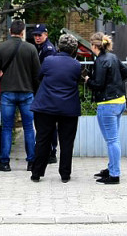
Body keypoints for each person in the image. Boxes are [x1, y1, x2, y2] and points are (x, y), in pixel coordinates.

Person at [29, 34, 82, 183]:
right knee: (67, 141)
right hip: (68, 108)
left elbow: (40, 76)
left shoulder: (48, 61)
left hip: (45, 105)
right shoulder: (76, 65)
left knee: (42, 139)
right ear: (74, 50)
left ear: (59, 46)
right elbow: (77, 80)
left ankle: (36, 173)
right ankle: (65, 174)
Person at [0, 20, 40, 172]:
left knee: (6, 128)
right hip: (27, 93)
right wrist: (36, 92)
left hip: (7, 92)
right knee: (29, 128)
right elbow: (37, 74)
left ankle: (4, 162)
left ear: (10, 31)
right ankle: (31, 162)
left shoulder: (1, 47)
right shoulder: (31, 48)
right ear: (23, 32)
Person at [84, 32, 127, 185]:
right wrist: (114, 83)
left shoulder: (100, 61)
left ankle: (114, 174)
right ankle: (111, 168)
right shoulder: (113, 57)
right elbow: (126, 73)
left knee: (112, 140)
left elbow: (98, 85)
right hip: (120, 102)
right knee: (114, 139)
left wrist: (87, 80)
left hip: (107, 104)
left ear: (94, 45)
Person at [31, 24, 59, 164]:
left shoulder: (48, 49)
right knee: (45, 123)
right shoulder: (40, 48)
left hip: (47, 90)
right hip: (44, 90)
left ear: (46, 35)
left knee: (49, 123)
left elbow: (44, 71)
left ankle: (51, 152)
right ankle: (48, 151)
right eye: (35, 35)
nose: (37, 37)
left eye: (39, 35)